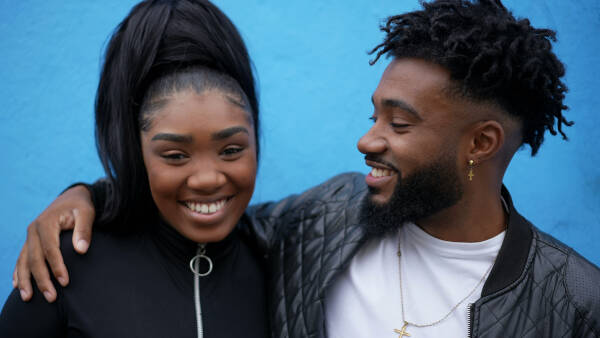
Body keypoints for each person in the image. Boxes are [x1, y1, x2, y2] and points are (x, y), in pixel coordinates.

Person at [11, 0, 600, 337]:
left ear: (482, 142)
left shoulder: (576, 302)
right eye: (373, 114)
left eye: (398, 123)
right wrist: (89, 195)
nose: (367, 140)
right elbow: (197, 206)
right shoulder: (324, 219)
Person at [0, 0, 269, 337]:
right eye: (174, 155)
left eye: (231, 150)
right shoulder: (64, 263)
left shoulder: (279, 262)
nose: (207, 178)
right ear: (134, 151)